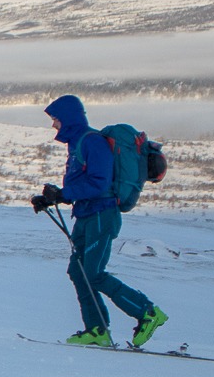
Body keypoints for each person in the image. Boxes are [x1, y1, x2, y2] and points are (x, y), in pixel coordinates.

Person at [30, 95, 168, 347]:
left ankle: (147, 312)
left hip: (102, 216)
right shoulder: (78, 144)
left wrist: (63, 194)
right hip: (86, 215)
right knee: (79, 271)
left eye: (56, 119)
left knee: (92, 272)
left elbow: (99, 183)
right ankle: (97, 331)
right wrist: (50, 199)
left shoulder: (92, 142)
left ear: (69, 119)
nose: (54, 126)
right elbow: (83, 184)